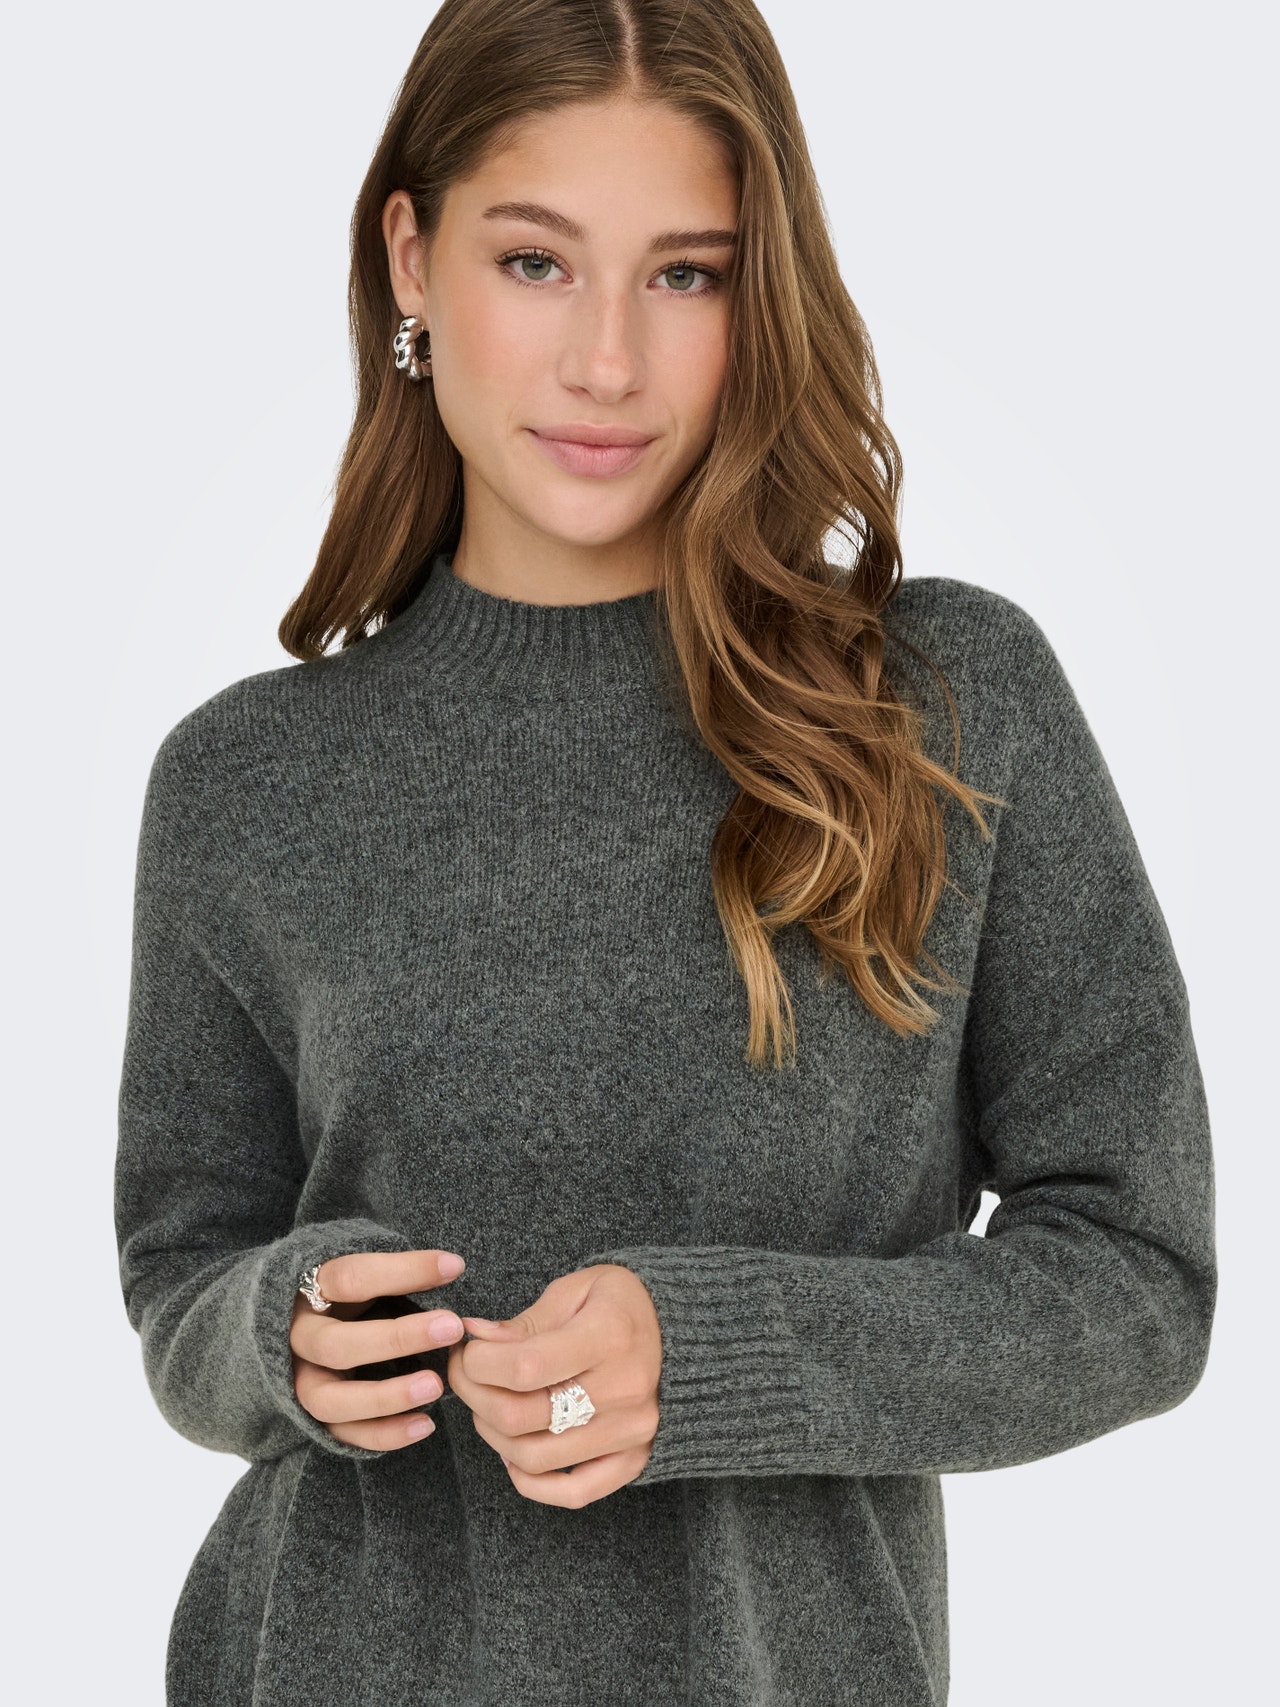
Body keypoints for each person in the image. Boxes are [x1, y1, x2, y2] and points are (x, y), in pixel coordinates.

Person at [113, 1, 1218, 1702]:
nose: (607, 361)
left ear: (760, 297)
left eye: (687, 275)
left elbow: (1141, 1280)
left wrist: (713, 1359)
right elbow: (181, 1284)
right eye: (535, 262)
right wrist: (289, 1335)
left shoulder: (941, 706)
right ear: (411, 260)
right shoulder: (242, 782)